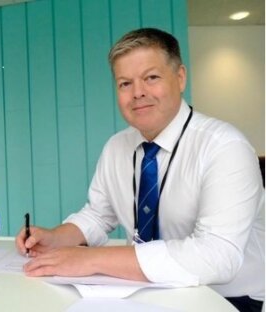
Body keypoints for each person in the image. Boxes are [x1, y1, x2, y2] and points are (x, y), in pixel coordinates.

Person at [16, 28, 264, 312]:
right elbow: (98, 215)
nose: (138, 93)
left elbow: (217, 257)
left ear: (180, 77)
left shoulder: (225, 147)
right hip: (146, 291)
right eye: (125, 83)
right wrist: (54, 237)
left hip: (230, 298)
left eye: (151, 78)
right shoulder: (116, 147)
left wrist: (91, 259)